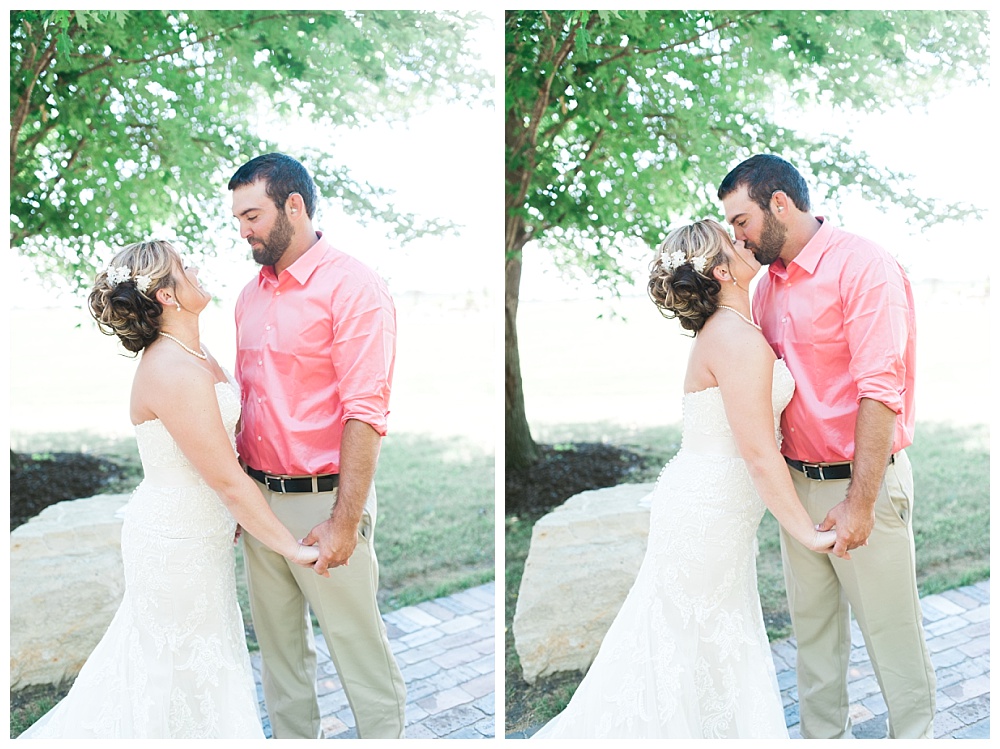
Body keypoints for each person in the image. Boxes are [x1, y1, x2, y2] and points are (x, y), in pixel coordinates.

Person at [532, 219, 840, 739]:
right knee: (687, 638)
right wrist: (807, 532)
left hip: (715, 506)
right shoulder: (733, 339)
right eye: (734, 240)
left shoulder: (735, 328)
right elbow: (760, 454)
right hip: (708, 510)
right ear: (721, 270)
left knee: (705, 635)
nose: (746, 240)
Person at [18, 240, 320, 739]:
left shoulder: (196, 352)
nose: (197, 266)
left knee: (201, 661)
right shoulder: (172, 369)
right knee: (172, 669)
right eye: (184, 266)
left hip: (201, 534)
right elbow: (224, 477)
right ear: (165, 296)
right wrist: (289, 546)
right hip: (174, 542)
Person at [718, 154, 936, 739]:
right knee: (813, 638)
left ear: (779, 204)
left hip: (864, 483)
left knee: (892, 633)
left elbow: (880, 391)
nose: (735, 235)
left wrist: (861, 504)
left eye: (741, 221)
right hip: (796, 485)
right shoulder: (765, 287)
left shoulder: (865, 266)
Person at [228, 153, 407, 739]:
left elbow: (365, 412)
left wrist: (343, 521)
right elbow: (249, 403)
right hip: (258, 499)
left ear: (295, 205)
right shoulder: (248, 297)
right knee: (279, 657)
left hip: (323, 502)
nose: (244, 231)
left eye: (252, 215)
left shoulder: (354, 286)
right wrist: (240, 497)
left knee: (357, 649)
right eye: (237, 219)